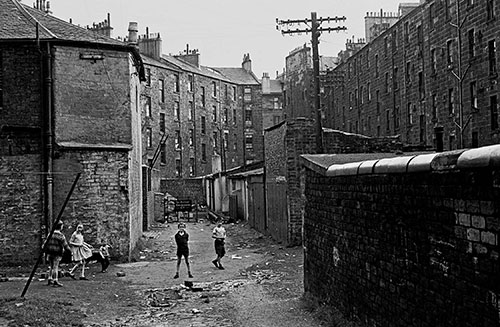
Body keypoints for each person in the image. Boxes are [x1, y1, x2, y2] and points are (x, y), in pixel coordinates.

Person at [43, 221, 71, 287]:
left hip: (50, 252)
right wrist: (70, 251)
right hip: (57, 252)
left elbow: (45, 243)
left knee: (51, 266)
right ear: (60, 226)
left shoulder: (50, 234)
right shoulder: (61, 235)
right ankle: (55, 280)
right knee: (55, 266)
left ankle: (50, 278)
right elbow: (65, 245)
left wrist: (44, 250)